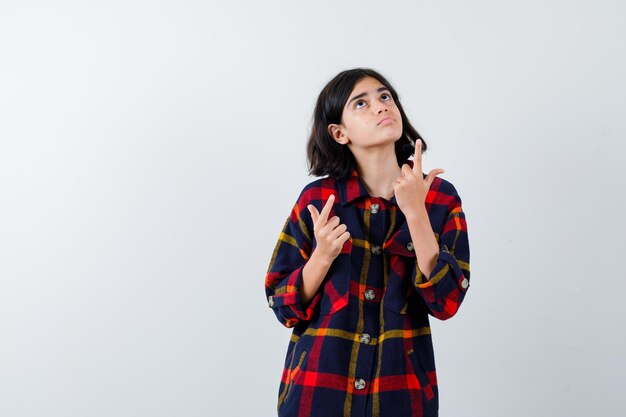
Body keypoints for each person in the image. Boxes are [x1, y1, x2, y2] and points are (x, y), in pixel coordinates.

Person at [264, 67, 471, 417]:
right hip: (317, 393)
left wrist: (416, 215)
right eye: (361, 103)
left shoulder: (439, 198)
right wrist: (322, 256)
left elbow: (447, 302)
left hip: (401, 395)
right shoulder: (318, 199)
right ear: (339, 133)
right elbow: (281, 303)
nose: (380, 106)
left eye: (385, 96)